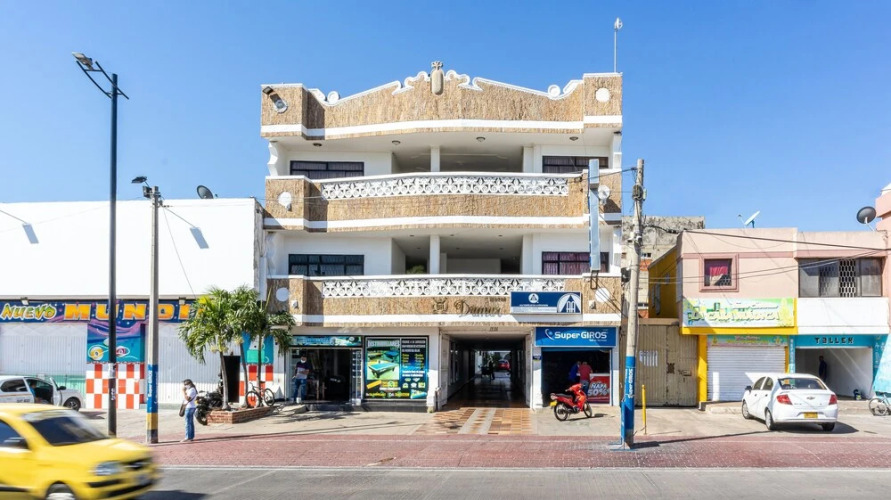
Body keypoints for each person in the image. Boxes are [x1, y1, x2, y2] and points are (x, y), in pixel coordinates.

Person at [181, 379, 197, 443]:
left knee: (188, 423)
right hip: (190, 407)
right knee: (190, 422)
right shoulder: (190, 389)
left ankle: (188, 437)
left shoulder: (192, 390)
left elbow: (188, 398)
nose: (185, 386)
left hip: (190, 407)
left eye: (185, 384)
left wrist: (183, 391)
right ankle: (191, 437)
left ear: (189, 384)